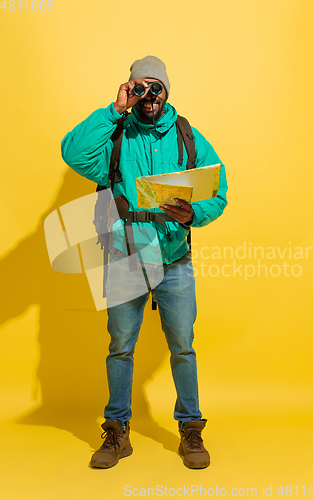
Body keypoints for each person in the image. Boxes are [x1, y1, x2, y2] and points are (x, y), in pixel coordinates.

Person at [61, 55, 228, 469]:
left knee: (183, 348)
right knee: (120, 347)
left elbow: (217, 192)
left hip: (174, 259)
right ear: (130, 91)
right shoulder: (115, 135)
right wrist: (114, 109)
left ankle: (190, 427)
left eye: (156, 87)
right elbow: (71, 153)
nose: (148, 95)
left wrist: (196, 214)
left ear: (167, 90)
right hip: (124, 257)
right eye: (140, 87)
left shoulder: (187, 135)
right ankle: (117, 430)